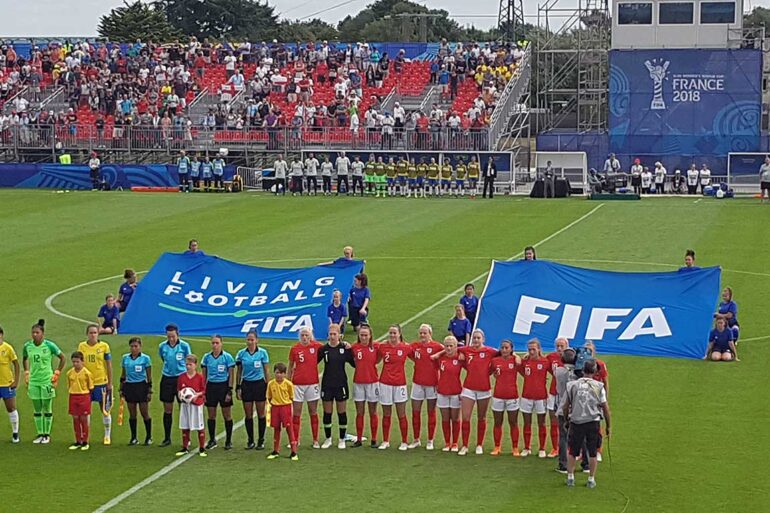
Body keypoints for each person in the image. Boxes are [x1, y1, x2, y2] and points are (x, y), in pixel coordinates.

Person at [563, 359, 611, 488]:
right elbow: (605, 408)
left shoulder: (572, 385)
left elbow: (565, 405)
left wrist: (567, 419)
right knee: (592, 451)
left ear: (583, 370)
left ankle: (570, 477)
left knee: (572, 451)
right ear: (595, 371)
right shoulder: (599, 386)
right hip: (592, 422)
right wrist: (608, 426)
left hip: (576, 421)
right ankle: (591, 479)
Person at [23, 320, 65, 444]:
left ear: (43, 334)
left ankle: (47, 435)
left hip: (47, 381)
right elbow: (24, 358)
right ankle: (40, 434)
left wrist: (57, 372)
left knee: (47, 407)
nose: (34, 335)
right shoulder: (27, 346)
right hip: (34, 382)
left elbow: (62, 358)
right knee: (37, 409)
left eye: (37, 332)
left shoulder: (49, 345)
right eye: (33, 333)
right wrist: (26, 372)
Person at [457, 329, 498, 455]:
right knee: (465, 417)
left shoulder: (490, 351)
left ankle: (479, 444)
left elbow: (505, 354)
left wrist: (494, 370)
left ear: (483, 339)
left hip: (484, 389)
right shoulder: (466, 350)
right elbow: (452, 348)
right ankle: (464, 445)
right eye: (474, 338)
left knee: (482, 417)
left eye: (478, 338)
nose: (475, 340)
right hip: (468, 388)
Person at [318, 324, 355, 449]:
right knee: (327, 413)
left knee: (341, 412)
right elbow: (313, 362)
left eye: (335, 334)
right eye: (331, 334)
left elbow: (355, 364)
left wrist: (351, 348)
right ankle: (328, 439)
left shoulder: (345, 348)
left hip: (341, 384)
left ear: (340, 335)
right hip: (327, 384)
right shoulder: (323, 349)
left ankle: (341, 439)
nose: (332, 336)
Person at [407, 324, 443, 450]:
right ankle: (416, 439)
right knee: (415, 412)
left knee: (431, 412)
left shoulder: (437, 346)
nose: (422, 335)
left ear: (430, 334)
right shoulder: (415, 346)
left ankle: (430, 440)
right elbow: (407, 351)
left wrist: (439, 355)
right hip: (417, 383)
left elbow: (449, 350)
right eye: (421, 333)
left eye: (425, 333)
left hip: (432, 384)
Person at [377, 324, 412, 450]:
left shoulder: (406, 347)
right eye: (390, 333)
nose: (392, 335)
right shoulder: (382, 347)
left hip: (400, 384)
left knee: (401, 414)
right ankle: (386, 440)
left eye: (394, 333)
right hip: (385, 383)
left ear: (399, 334)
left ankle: (404, 441)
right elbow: (376, 359)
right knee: (386, 413)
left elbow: (416, 357)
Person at [77, 324, 113, 445]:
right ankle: (86, 436)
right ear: (87, 334)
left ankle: (107, 435)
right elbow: (79, 363)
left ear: (98, 334)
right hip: (86, 383)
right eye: (91, 333)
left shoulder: (104, 346)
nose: (93, 335)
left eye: (95, 333)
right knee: (85, 411)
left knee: (105, 409)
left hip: (101, 382)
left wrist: (110, 382)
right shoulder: (82, 346)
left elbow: (108, 365)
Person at [288, 327, 323, 448]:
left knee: (313, 412)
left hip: (312, 384)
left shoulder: (317, 346)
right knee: (296, 413)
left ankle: (315, 440)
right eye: (302, 335)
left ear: (311, 335)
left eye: (307, 335)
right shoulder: (294, 349)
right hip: (297, 384)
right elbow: (290, 366)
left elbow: (330, 348)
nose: (304, 337)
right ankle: (295, 440)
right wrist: (288, 383)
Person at [158, 323, 192, 447]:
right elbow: (163, 358)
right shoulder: (162, 346)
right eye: (169, 336)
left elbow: (189, 361)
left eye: (173, 336)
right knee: (167, 409)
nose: (171, 339)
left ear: (177, 334)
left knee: (184, 409)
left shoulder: (184, 346)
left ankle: (186, 438)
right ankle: (167, 438)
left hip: (181, 379)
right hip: (167, 378)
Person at [236, 331, 270, 450]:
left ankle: (261, 440)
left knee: (261, 413)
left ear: (257, 340)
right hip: (246, 385)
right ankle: (250, 440)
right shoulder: (241, 354)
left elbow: (266, 370)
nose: (250, 342)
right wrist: (238, 386)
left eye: (252, 340)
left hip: (259, 384)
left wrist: (268, 386)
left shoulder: (262, 353)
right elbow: (239, 371)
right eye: (248, 340)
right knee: (248, 414)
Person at [202, 335, 235, 450]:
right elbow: (204, 375)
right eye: (213, 343)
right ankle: (212, 439)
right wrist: (203, 390)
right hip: (211, 387)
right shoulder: (206, 358)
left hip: (223, 386)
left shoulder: (227, 357)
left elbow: (231, 374)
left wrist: (230, 390)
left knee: (227, 415)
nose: (215, 345)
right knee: (211, 415)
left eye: (217, 343)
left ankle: (229, 440)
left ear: (221, 343)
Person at [490, 340, 522, 456]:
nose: (504, 350)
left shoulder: (515, 360)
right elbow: (490, 372)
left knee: (513, 422)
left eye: (506, 348)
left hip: (512, 395)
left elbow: (524, 372)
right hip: (498, 395)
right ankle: (497, 446)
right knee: (498, 422)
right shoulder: (495, 361)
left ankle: (515, 447)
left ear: (511, 349)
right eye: (502, 348)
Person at [519, 339, 550, 458]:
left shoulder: (545, 361)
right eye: (529, 349)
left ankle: (542, 448)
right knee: (527, 423)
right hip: (526, 396)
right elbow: (522, 372)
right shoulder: (524, 362)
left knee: (541, 423)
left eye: (534, 349)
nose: (531, 352)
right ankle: (527, 448)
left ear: (539, 349)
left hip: (541, 397)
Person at [432, 336, 463, 451]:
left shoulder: (460, 358)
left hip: (456, 391)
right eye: (447, 346)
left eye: (451, 346)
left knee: (455, 418)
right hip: (442, 391)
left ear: (456, 346)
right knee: (445, 418)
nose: (449, 348)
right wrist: (440, 353)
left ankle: (455, 443)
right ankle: (447, 443)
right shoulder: (440, 358)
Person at [120, 337, 153, 445]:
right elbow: (123, 374)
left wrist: (149, 390)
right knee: (132, 414)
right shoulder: (125, 358)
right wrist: (121, 388)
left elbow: (149, 376)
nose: (133, 348)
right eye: (132, 346)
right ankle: (133, 437)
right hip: (130, 386)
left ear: (140, 347)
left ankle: (149, 437)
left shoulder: (145, 359)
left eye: (136, 346)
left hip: (141, 386)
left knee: (144, 413)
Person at [351, 325, 378, 447]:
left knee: (373, 411)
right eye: (361, 335)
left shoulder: (376, 347)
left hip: (372, 382)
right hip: (358, 383)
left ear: (370, 336)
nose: (363, 337)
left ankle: (374, 439)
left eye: (366, 335)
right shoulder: (354, 347)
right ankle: (359, 439)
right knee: (359, 412)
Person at [175, 354, 207, 457]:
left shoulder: (200, 377)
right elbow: (179, 390)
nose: (188, 366)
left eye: (190, 364)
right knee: (185, 425)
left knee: (199, 425)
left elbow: (203, 390)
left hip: (196, 405)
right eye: (187, 364)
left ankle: (202, 448)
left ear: (195, 365)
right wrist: (180, 395)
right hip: (185, 405)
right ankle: (185, 447)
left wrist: (196, 395)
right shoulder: (181, 377)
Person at [266, 362, 298, 461]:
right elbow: (269, 397)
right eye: (277, 373)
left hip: (285, 407)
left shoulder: (288, 384)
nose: (278, 375)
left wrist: (285, 404)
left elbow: (291, 397)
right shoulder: (271, 384)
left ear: (284, 374)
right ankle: (276, 450)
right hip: (275, 407)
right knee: (276, 428)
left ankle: (293, 452)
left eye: (281, 373)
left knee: (289, 428)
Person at [553, 347, 578, 473]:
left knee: (563, 436)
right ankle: (584, 462)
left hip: (562, 406)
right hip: (576, 407)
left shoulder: (558, 371)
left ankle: (563, 463)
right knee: (579, 435)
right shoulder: (579, 373)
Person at [546, 338, 569, 458]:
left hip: (567, 395)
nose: (559, 348)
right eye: (558, 346)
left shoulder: (571, 357)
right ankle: (555, 448)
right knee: (553, 421)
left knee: (568, 423)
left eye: (562, 346)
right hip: (553, 393)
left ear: (567, 346)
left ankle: (569, 449)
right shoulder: (551, 357)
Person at [67, 351, 94, 450]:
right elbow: (69, 385)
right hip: (73, 396)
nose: (75, 364)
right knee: (75, 418)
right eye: (73, 362)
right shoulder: (69, 373)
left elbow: (90, 387)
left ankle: (85, 441)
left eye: (77, 362)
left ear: (82, 361)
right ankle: (78, 441)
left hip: (84, 396)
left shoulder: (87, 373)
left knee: (83, 419)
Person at [0, 326, 20, 443]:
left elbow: (16, 364)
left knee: (11, 408)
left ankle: (15, 432)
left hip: (7, 384)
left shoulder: (8, 348)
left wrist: (16, 380)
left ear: (1, 335)